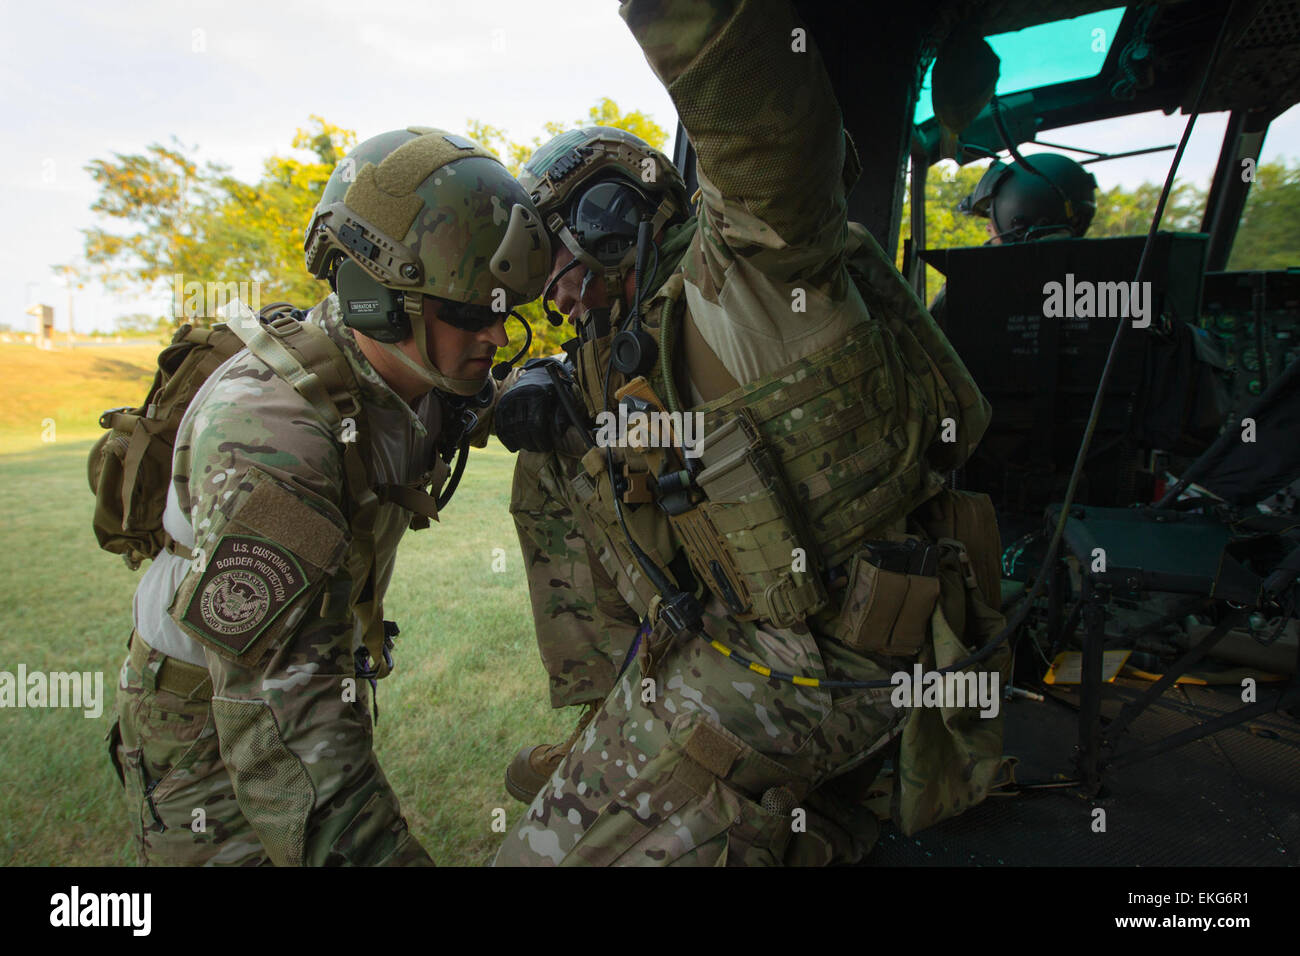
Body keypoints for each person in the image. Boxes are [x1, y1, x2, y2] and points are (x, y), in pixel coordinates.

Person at [493, 0, 1006, 866]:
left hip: (849, 650)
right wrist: (530, 380)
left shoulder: (750, 279)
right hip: (733, 631)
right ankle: (626, 717)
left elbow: (772, 142)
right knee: (548, 457)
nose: (563, 304)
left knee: (535, 861)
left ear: (613, 220)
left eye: (564, 272)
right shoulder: (617, 347)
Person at [107, 126, 549, 866]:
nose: (499, 335)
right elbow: (284, 732)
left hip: (306, 682)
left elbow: (482, 399)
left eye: (504, 309)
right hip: (203, 727)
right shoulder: (271, 431)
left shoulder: (420, 371)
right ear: (378, 300)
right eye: (472, 313)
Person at [930, 152, 1099, 326]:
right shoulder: (1106, 277)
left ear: (1015, 216)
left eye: (991, 216)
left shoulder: (966, 288)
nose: (989, 228)